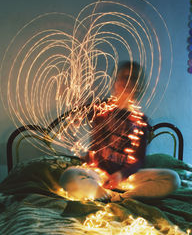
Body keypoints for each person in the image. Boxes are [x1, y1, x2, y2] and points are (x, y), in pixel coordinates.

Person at [59, 61, 181, 202]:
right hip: (98, 175)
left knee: (173, 178)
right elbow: (79, 110)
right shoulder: (101, 109)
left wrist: (121, 175)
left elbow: (139, 160)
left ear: (139, 87)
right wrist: (71, 101)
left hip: (127, 179)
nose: (127, 81)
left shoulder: (141, 121)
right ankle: (104, 194)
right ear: (115, 82)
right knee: (69, 175)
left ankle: (122, 197)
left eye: (133, 78)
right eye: (123, 76)